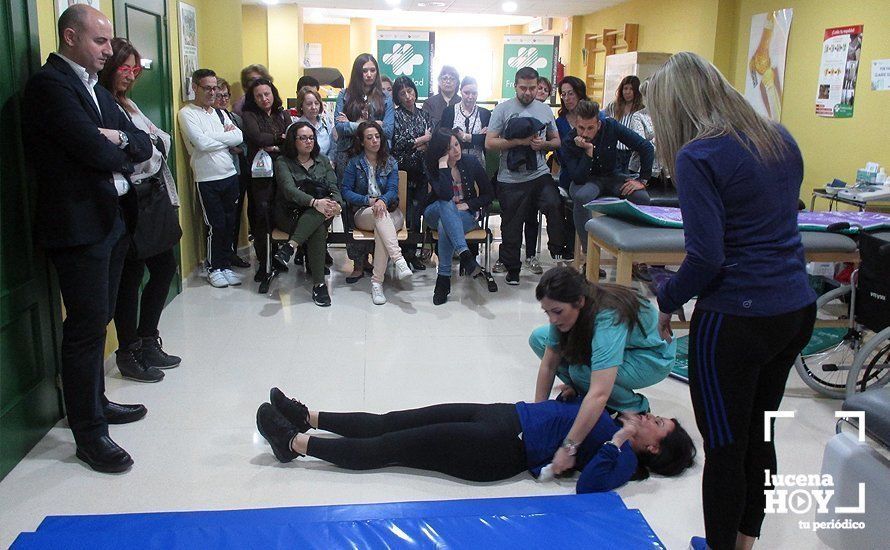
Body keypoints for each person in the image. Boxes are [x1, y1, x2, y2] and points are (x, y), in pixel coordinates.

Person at [646, 52, 817, 550]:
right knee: (760, 436)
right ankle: (745, 541)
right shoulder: (778, 137)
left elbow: (706, 258)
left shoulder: (698, 155)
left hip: (736, 323)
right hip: (795, 311)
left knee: (724, 448)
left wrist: (666, 295)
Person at [22, 5, 153, 473]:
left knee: (99, 324)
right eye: (100, 41)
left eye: (109, 41)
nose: (109, 49)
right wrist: (115, 144)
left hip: (111, 220)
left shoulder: (94, 87)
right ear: (71, 36)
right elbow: (91, 150)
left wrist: (115, 140)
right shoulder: (50, 85)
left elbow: (141, 143)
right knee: (84, 330)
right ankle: (89, 434)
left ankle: (96, 402)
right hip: (78, 229)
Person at [255, 387, 696, 493]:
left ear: (654, 448)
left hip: (498, 451)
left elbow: (587, 483)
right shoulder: (616, 414)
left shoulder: (624, 462)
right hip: (503, 415)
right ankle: (309, 416)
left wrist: (620, 435)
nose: (654, 418)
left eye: (660, 426)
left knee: (395, 446)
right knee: (395, 420)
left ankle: (292, 443)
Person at [530, 267, 677, 477]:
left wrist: (569, 447)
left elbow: (599, 393)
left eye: (557, 312)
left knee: (583, 372)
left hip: (650, 357)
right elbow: (549, 363)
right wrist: (538, 413)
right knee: (538, 338)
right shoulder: (567, 307)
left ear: (579, 302)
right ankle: (581, 390)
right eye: (548, 312)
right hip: (624, 344)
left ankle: (635, 406)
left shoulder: (608, 316)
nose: (553, 319)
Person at [98, 37, 181, 383]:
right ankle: (128, 350)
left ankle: (148, 338)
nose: (131, 75)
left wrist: (145, 145)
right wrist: (144, 145)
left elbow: (157, 143)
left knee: (164, 268)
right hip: (129, 202)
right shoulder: (103, 104)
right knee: (129, 280)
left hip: (151, 199)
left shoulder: (127, 104)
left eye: (135, 69)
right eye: (124, 68)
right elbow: (143, 150)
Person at [485, 66, 565, 285]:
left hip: (539, 174)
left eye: (532, 88)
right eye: (523, 88)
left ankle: (558, 251)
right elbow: (490, 142)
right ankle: (512, 268)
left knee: (554, 203)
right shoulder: (502, 109)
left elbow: (556, 141)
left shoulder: (544, 110)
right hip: (510, 178)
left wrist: (544, 144)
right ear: (515, 86)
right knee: (511, 225)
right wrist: (519, 142)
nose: (528, 93)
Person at [179, 68, 244, 288]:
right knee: (215, 224)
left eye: (215, 88)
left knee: (229, 223)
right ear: (195, 88)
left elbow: (238, 136)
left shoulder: (220, 113)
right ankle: (214, 267)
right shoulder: (187, 113)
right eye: (207, 88)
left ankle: (225, 264)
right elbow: (201, 143)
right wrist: (224, 139)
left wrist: (215, 139)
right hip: (207, 179)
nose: (212, 93)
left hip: (229, 175)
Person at [334, 54, 395, 283]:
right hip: (349, 157)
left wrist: (353, 124)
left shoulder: (385, 98)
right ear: (357, 72)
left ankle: (376, 258)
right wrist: (369, 125)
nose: (369, 74)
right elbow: (339, 128)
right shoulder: (345, 95)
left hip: (377, 158)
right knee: (352, 208)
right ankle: (357, 263)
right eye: (364, 70)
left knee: (377, 206)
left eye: (372, 70)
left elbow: (388, 131)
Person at [563, 100, 653, 253]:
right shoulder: (569, 141)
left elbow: (645, 147)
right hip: (587, 180)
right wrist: (588, 151)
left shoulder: (611, 126)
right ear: (575, 125)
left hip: (612, 177)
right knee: (581, 197)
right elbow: (578, 178)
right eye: (581, 128)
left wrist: (642, 180)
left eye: (590, 128)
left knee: (642, 198)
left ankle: (636, 254)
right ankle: (588, 254)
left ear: (599, 124)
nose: (585, 134)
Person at [270, 122, 343, 307]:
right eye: (302, 138)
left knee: (318, 218)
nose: (308, 142)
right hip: (290, 214)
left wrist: (337, 205)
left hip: (321, 213)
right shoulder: (283, 162)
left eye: (311, 138)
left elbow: (334, 187)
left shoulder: (323, 160)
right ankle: (319, 286)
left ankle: (290, 247)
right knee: (317, 226)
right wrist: (314, 202)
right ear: (293, 141)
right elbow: (289, 190)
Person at [341, 121, 413, 305]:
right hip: (364, 212)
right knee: (378, 215)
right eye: (369, 137)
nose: (374, 140)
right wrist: (369, 201)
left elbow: (392, 189)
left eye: (377, 136)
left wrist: (382, 201)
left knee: (382, 222)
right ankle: (397, 259)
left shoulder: (390, 162)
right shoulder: (354, 163)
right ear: (362, 141)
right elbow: (346, 191)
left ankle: (377, 283)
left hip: (390, 212)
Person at [423, 129, 495, 305]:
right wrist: (443, 165)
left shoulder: (471, 162)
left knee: (444, 224)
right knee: (445, 204)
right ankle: (465, 254)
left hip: (464, 214)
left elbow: (488, 194)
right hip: (435, 210)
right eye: (449, 148)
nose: (456, 150)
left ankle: (443, 280)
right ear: (441, 151)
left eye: (457, 144)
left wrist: (468, 205)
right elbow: (445, 195)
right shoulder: (432, 165)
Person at [241, 77, 291, 292]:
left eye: (267, 94)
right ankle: (264, 263)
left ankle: (278, 258)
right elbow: (258, 137)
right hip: (259, 175)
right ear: (253, 98)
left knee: (279, 213)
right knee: (261, 216)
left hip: (282, 172)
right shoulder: (248, 115)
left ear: (273, 93)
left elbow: (290, 138)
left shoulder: (283, 113)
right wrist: (277, 138)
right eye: (259, 95)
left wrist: (277, 142)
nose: (264, 98)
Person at [390, 76, 432, 271]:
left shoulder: (425, 115)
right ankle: (401, 255)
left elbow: (433, 141)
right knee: (403, 213)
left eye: (410, 91)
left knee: (417, 214)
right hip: (402, 171)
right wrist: (421, 139)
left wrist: (419, 142)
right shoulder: (395, 115)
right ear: (397, 97)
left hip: (422, 172)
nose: (408, 96)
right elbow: (397, 144)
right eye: (402, 93)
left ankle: (413, 254)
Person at [214, 77, 251, 269]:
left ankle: (232, 253)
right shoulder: (208, 118)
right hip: (216, 174)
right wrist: (228, 143)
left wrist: (240, 148)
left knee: (235, 216)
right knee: (218, 220)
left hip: (237, 172)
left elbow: (243, 143)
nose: (222, 99)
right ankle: (218, 258)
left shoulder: (235, 118)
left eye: (225, 95)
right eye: (218, 95)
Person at [438, 76, 490, 167]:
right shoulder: (449, 111)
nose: (470, 96)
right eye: (467, 93)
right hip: (454, 161)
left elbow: (487, 140)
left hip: (478, 162)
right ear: (460, 91)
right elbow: (444, 138)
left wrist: (465, 136)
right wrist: (476, 138)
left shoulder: (485, 113)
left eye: (474, 93)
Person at [604, 75, 646, 172]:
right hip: (615, 151)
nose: (627, 92)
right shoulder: (613, 106)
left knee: (628, 179)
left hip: (632, 153)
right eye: (625, 88)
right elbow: (602, 119)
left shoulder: (641, 110)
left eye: (631, 89)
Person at [295, 86, 334, 159]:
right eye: (309, 104)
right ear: (301, 106)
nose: (313, 107)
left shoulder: (326, 123)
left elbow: (333, 146)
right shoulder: (295, 127)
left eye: (316, 103)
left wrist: (330, 161)